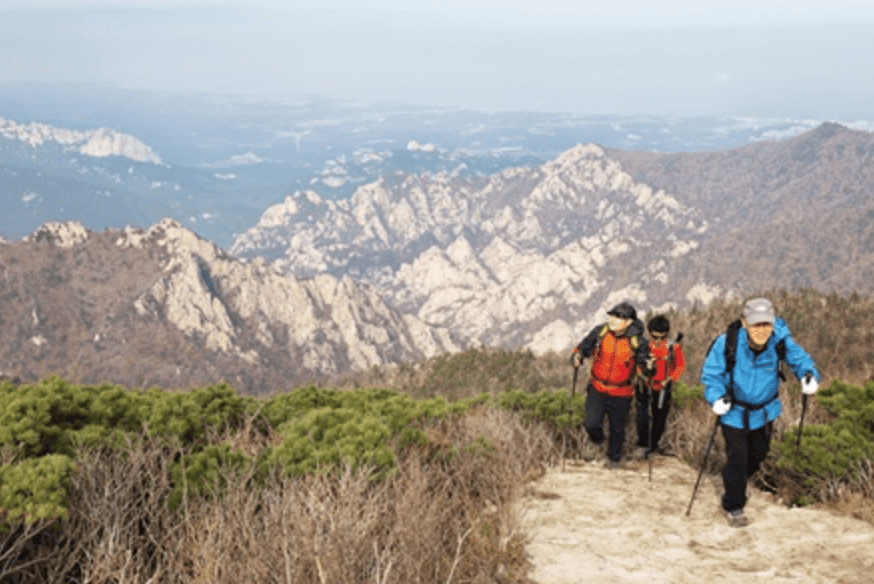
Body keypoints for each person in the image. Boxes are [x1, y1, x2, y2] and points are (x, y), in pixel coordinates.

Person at [702, 297, 820, 527]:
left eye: (766, 324)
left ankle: (733, 479)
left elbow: (800, 360)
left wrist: (809, 375)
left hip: (764, 412)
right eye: (756, 324)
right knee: (738, 457)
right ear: (744, 323)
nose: (761, 330)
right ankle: (734, 505)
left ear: (773, 324)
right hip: (733, 411)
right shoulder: (727, 343)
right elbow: (711, 375)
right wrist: (716, 397)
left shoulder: (780, 342)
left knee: (758, 455)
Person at [571, 301, 650, 469]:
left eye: (618, 317)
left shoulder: (638, 342)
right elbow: (583, 347)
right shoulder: (600, 332)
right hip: (597, 387)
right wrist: (577, 356)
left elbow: (646, 366)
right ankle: (597, 441)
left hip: (622, 391)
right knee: (591, 424)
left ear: (629, 322)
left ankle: (614, 460)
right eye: (612, 315)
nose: (613, 320)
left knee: (617, 429)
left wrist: (649, 367)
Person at [635, 315, 685, 459]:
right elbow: (638, 364)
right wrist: (642, 375)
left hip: (663, 388)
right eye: (654, 337)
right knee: (642, 417)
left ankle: (653, 446)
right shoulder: (644, 345)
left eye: (660, 337)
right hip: (645, 386)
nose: (657, 341)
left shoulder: (672, 347)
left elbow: (680, 365)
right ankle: (642, 445)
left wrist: (671, 379)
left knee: (659, 419)